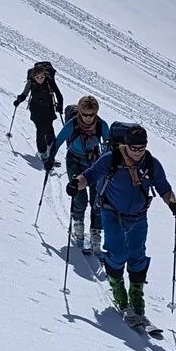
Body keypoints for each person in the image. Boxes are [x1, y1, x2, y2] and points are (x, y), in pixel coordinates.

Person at [66, 124, 176, 323]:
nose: (137, 152)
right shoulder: (111, 159)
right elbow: (90, 175)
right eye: (133, 148)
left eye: (141, 148)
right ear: (126, 145)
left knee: (137, 255)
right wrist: (76, 183)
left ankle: (136, 296)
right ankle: (118, 289)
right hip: (111, 212)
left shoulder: (151, 164)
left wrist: (173, 202)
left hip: (139, 215)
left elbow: (164, 188)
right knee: (117, 253)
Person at [48, 96, 110, 250]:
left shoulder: (101, 125)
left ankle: (96, 231)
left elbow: (110, 146)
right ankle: (78, 223)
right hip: (74, 161)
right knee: (80, 197)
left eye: (91, 115)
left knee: (97, 198)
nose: (88, 118)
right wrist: (51, 156)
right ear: (80, 112)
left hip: (95, 163)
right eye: (85, 114)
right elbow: (59, 140)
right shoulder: (73, 124)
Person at [12, 62, 64, 164]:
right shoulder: (31, 82)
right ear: (33, 76)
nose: (40, 79)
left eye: (42, 77)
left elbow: (59, 95)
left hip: (48, 109)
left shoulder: (49, 81)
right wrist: (19, 100)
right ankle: (42, 152)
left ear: (45, 75)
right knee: (41, 130)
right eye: (37, 77)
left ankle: (49, 153)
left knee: (49, 131)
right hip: (36, 109)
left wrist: (60, 106)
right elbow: (24, 94)